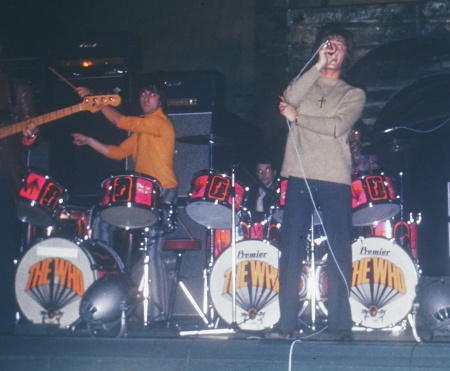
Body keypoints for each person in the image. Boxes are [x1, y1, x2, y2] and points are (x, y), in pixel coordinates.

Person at [276, 23, 366, 340]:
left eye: (339, 45)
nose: (333, 49)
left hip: (333, 179)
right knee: (291, 249)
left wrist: (298, 116)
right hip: (299, 175)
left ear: (347, 55)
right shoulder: (306, 84)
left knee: (339, 250)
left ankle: (341, 324)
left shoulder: (353, 93)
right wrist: (316, 65)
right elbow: (289, 98)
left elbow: (336, 127)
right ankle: (287, 321)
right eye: (328, 43)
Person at [72, 81, 178, 323]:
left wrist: (95, 99)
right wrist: (89, 141)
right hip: (144, 193)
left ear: (160, 101)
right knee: (102, 221)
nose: (147, 97)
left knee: (153, 251)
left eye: (153, 94)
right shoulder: (142, 130)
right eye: (143, 93)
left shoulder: (159, 123)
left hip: (163, 193)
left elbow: (120, 121)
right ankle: (109, 284)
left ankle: (157, 315)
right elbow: (117, 152)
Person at [0, 62, 37, 335]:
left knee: (4, 251)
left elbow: (31, 136)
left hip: (4, 176)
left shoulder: (16, 89)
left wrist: (29, 135)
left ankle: (4, 320)